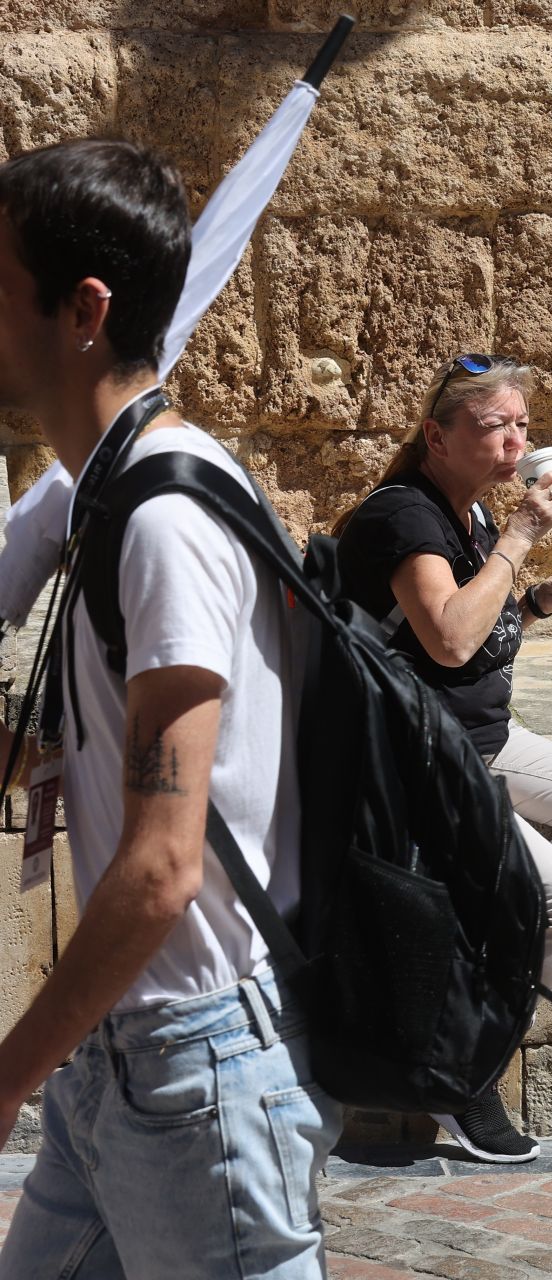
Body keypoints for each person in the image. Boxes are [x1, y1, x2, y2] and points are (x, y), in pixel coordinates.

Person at [0, 139, 338, 1277]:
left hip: (198, 1078)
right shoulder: (112, 488)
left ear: (81, 309)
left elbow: (160, 866)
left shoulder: (165, 520)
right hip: (120, 1060)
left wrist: (7, 1073)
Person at [333, 356, 552, 1163]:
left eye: (521, 425)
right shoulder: (408, 517)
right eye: (495, 427)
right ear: (438, 438)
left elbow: (474, 638)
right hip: (417, 761)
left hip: (482, 741)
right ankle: (463, 1068)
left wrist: (540, 599)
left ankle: (468, 973)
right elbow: (447, 633)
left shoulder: (468, 514)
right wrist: (523, 535)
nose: (516, 442)